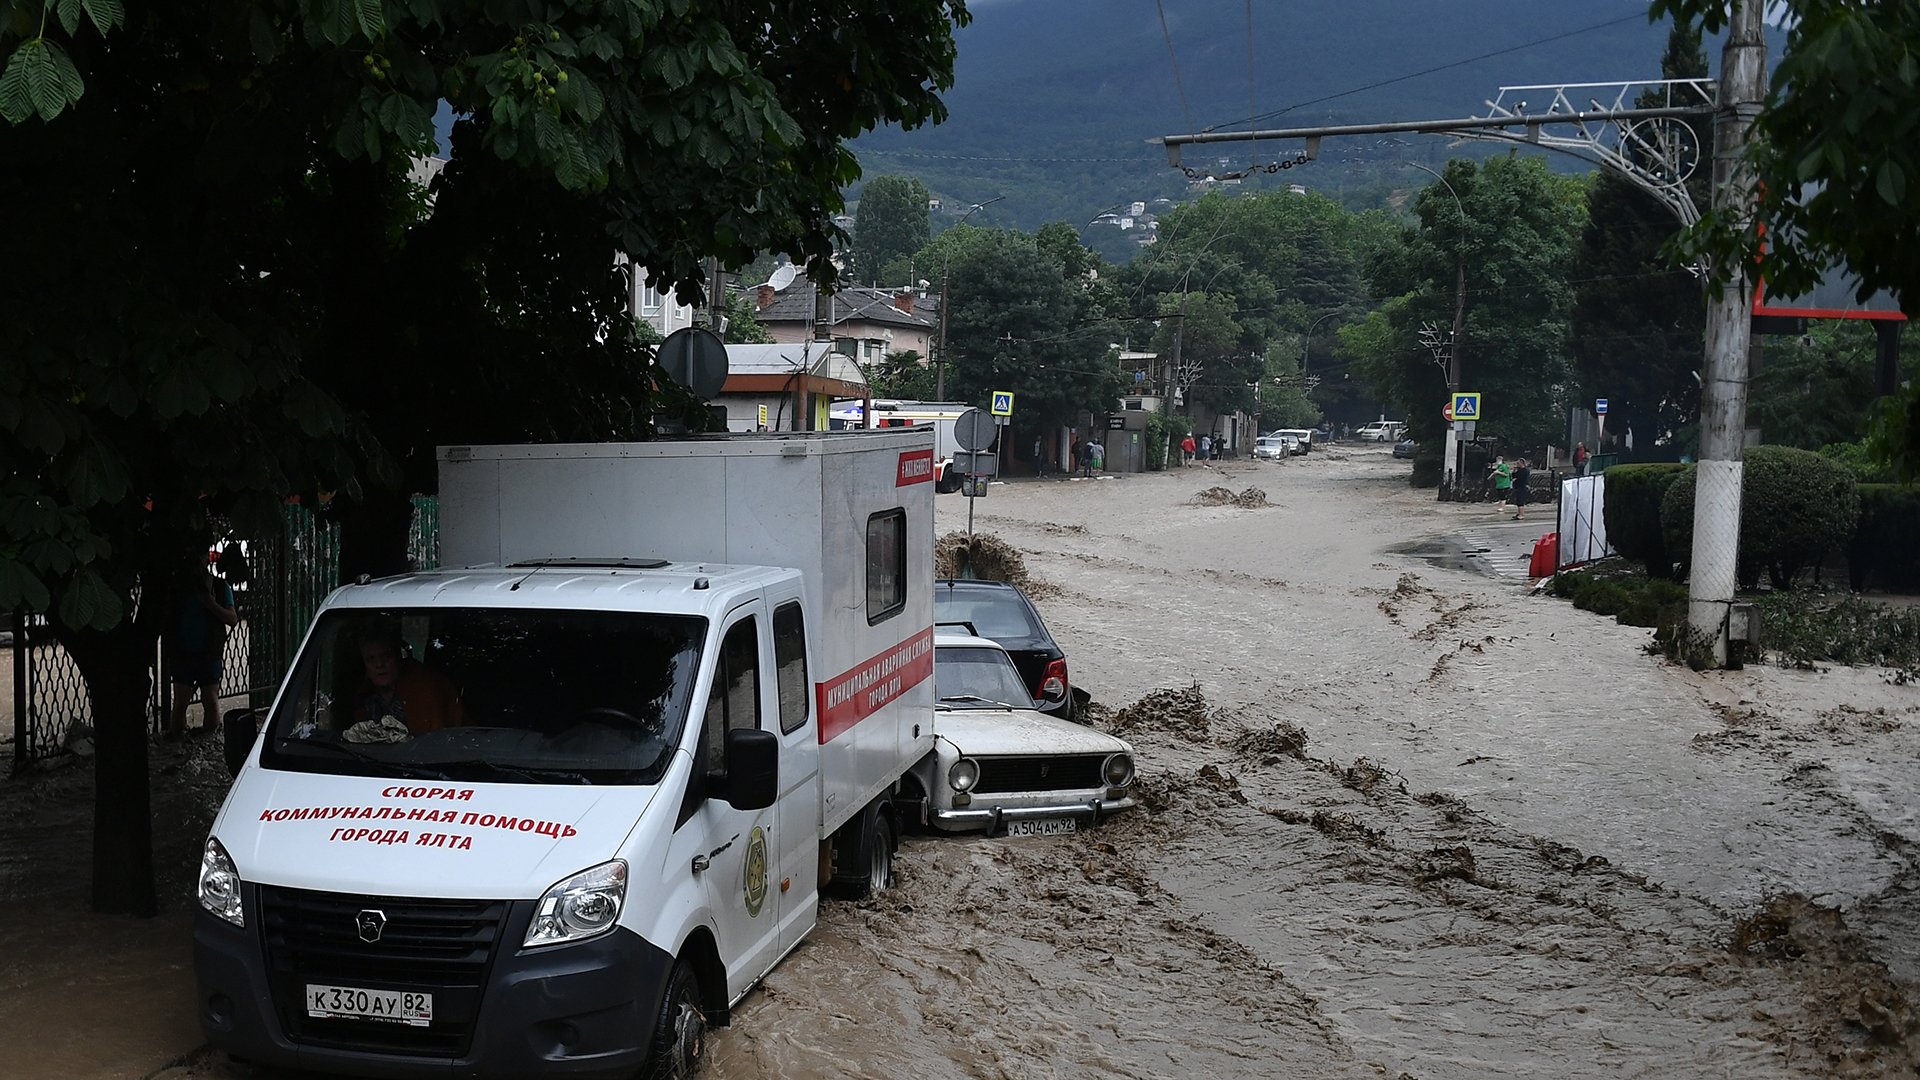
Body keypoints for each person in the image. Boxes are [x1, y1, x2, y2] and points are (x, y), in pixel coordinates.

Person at [166, 546, 239, 739]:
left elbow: (232, 618)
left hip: (208, 652)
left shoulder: (219, 586)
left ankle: (206, 739)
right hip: (184, 651)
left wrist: (210, 603)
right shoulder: (179, 588)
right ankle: (178, 738)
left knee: (210, 700)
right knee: (181, 702)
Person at [354, 624, 465, 735]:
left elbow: (436, 741)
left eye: (386, 656)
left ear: (398, 657)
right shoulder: (363, 698)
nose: (379, 664)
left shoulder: (424, 688)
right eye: (371, 659)